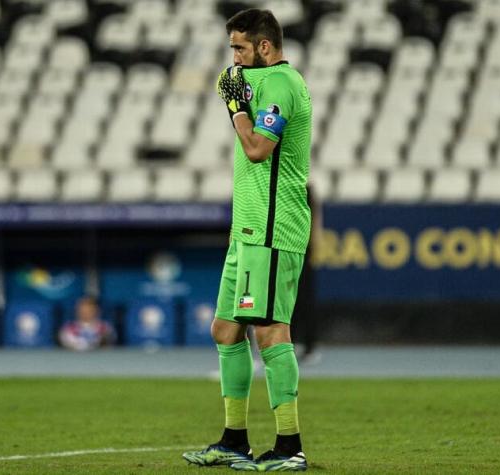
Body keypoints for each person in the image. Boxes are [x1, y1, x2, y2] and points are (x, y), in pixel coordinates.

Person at [182, 9, 312, 472]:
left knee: (271, 331)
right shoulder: (255, 81)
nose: (233, 57)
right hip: (248, 230)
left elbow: (258, 149)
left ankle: (289, 446)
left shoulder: (280, 83)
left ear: (264, 46)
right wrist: (238, 100)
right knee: (225, 329)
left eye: (239, 47)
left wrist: (236, 109)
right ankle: (234, 440)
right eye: (230, 48)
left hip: (275, 227)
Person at [291, 182, 322, 364]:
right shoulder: (285, 185)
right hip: (287, 248)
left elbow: (314, 220)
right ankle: (289, 343)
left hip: (302, 250)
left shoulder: (305, 189)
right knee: (287, 301)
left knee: (304, 300)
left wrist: (313, 245)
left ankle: (309, 346)